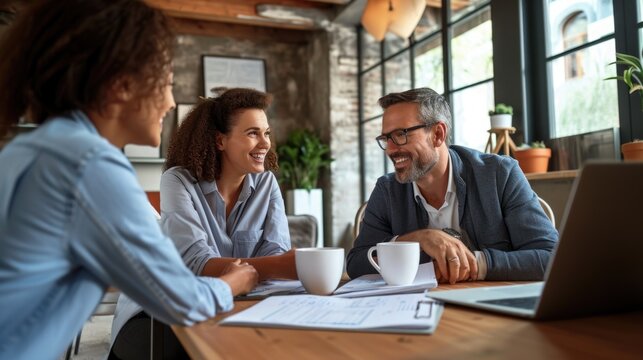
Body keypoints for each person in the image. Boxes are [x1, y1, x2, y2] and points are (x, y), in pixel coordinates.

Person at [0, 1, 258, 359]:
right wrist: (237, 281)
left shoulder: (32, 149)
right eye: (167, 83)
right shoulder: (90, 164)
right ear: (121, 86)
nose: (170, 102)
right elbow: (182, 302)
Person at [110, 88, 297, 358]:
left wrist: (271, 266)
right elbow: (195, 262)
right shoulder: (178, 181)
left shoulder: (266, 184)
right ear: (220, 140)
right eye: (252, 133)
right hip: (158, 318)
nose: (265, 143)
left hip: (236, 306)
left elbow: (274, 253)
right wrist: (278, 266)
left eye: (266, 133)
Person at [346, 88, 558, 284]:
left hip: (492, 310)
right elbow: (356, 263)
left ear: (438, 134)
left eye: (401, 135)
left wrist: (474, 263)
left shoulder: (499, 175)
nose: (390, 150)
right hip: (415, 308)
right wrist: (417, 239)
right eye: (386, 138)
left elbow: (551, 257)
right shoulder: (387, 191)